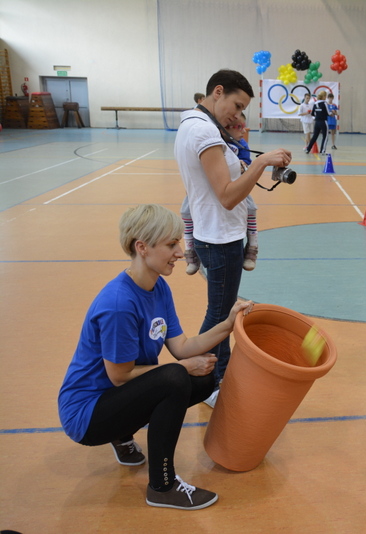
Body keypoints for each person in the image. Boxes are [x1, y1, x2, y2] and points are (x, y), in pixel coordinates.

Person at [58, 204, 254, 510]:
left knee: (202, 381)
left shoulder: (158, 287)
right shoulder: (120, 304)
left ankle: (122, 433)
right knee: (175, 378)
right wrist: (182, 367)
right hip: (86, 413)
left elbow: (183, 346)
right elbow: (120, 376)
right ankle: (162, 487)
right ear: (142, 247)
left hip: (115, 396)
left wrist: (228, 324)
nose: (180, 252)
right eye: (171, 244)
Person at [175, 69, 291, 406]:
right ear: (218, 92)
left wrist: (246, 152)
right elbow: (226, 195)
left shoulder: (198, 125)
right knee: (219, 315)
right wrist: (262, 162)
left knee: (220, 310)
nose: (238, 114)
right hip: (219, 237)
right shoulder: (204, 132)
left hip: (214, 232)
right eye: (237, 106)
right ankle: (211, 383)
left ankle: (216, 377)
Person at [182, 113, 260, 275]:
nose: (243, 131)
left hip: (234, 189)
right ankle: (191, 251)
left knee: (251, 208)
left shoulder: (242, 145)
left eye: (244, 126)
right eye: (239, 127)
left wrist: (243, 166)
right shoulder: (212, 143)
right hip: (205, 190)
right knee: (186, 211)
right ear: (224, 129)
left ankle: (252, 247)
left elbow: (247, 166)